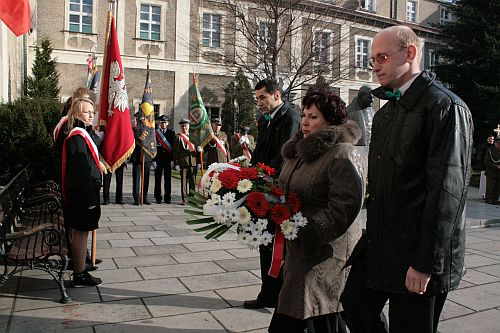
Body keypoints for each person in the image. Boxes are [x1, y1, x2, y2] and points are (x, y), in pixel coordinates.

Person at [341, 25, 473, 333]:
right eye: (371, 58)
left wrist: (425, 263)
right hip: (382, 242)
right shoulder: (388, 111)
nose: (374, 65)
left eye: (382, 57)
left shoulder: (445, 107)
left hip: (420, 251)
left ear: (410, 53)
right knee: (355, 304)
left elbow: (447, 194)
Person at [268, 91, 365, 333]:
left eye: (313, 116)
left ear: (330, 121)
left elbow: (344, 206)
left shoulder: (340, 153)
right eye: (303, 115)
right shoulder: (298, 151)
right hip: (299, 245)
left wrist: (309, 231)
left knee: (313, 308)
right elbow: (286, 187)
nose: (305, 122)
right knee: (300, 307)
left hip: (325, 249)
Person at [244, 78, 300, 310]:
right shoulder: (267, 119)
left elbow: (285, 154)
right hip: (264, 190)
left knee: (278, 247)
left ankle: (280, 297)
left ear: (277, 95)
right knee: (264, 242)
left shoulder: (291, 118)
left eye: (262, 97)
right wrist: (248, 172)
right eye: (257, 98)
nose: (259, 103)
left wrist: (264, 175)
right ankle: (267, 293)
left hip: (279, 192)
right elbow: (260, 152)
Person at [62, 88, 103, 287]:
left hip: (83, 193)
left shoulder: (82, 134)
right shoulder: (77, 137)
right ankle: (79, 273)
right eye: (87, 112)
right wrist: (89, 200)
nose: (91, 115)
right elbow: (81, 171)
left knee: (81, 232)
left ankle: (80, 271)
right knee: (81, 232)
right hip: (82, 195)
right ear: (77, 113)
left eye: (92, 113)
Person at [173, 118, 199, 205]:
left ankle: (192, 199)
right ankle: (185, 199)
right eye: (183, 126)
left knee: (192, 182)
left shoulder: (194, 136)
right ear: (181, 127)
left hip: (193, 162)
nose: (184, 128)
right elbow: (175, 151)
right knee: (183, 182)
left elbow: (198, 150)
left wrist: (199, 162)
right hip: (183, 162)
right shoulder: (178, 136)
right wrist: (176, 163)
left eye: (186, 126)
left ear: (189, 126)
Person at [130, 113, 152, 205]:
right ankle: (136, 198)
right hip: (136, 157)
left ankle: (144, 196)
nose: (140, 121)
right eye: (138, 120)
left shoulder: (149, 130)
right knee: (136, 178)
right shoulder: (133, 130)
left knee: (146, 178)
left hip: (146, 156)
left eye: (142, 119)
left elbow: (152, 141)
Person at [154, 115, 175, 204]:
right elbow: (153, 147)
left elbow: (174, 148)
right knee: (157, 179)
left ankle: (167, 197)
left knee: (168, 179)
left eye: (165, 123)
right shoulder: (155, 133)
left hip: (167, 159)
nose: (163, 124)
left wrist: (173, 160)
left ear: (168, 123)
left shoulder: (171, 133)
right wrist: (153, 160)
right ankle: (158, 197)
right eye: (162, 123)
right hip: (158, 159)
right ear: (159, 123)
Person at [478, 135, 495, 199]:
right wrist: (481, 165)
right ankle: (483, 194)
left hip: (492, 168)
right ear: (487, 139)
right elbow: (480, 157)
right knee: (484, 181)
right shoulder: (483, 147)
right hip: (484, 167)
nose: (491, 140)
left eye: (492, 139)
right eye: (490, 139)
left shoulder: (494, 147)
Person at [484, 136, 500, 205]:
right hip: (491, 172)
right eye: (497, 143)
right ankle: (489, 199)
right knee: (490, 187)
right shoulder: (490, 151)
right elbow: (486, 162)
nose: (499, 144)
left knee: (497, 188)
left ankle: (495, 200)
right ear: (495, 143)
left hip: (499, 173)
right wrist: (496, 166)